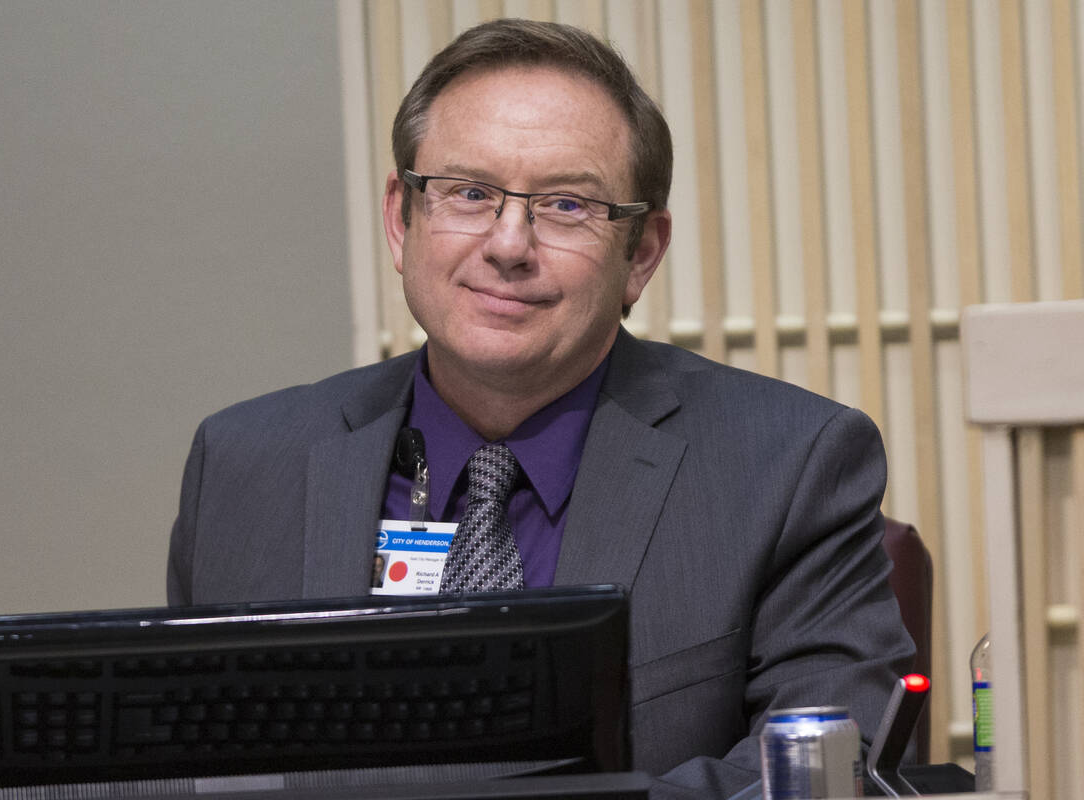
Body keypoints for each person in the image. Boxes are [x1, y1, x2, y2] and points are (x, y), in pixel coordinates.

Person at [167, 18, 914, 799]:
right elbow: (184, 767)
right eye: (469, 193)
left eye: (565, 205)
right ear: (401, 219)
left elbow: (823, 764)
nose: (508, 243)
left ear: (642, 254)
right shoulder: (244, 464)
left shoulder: (790, 463)